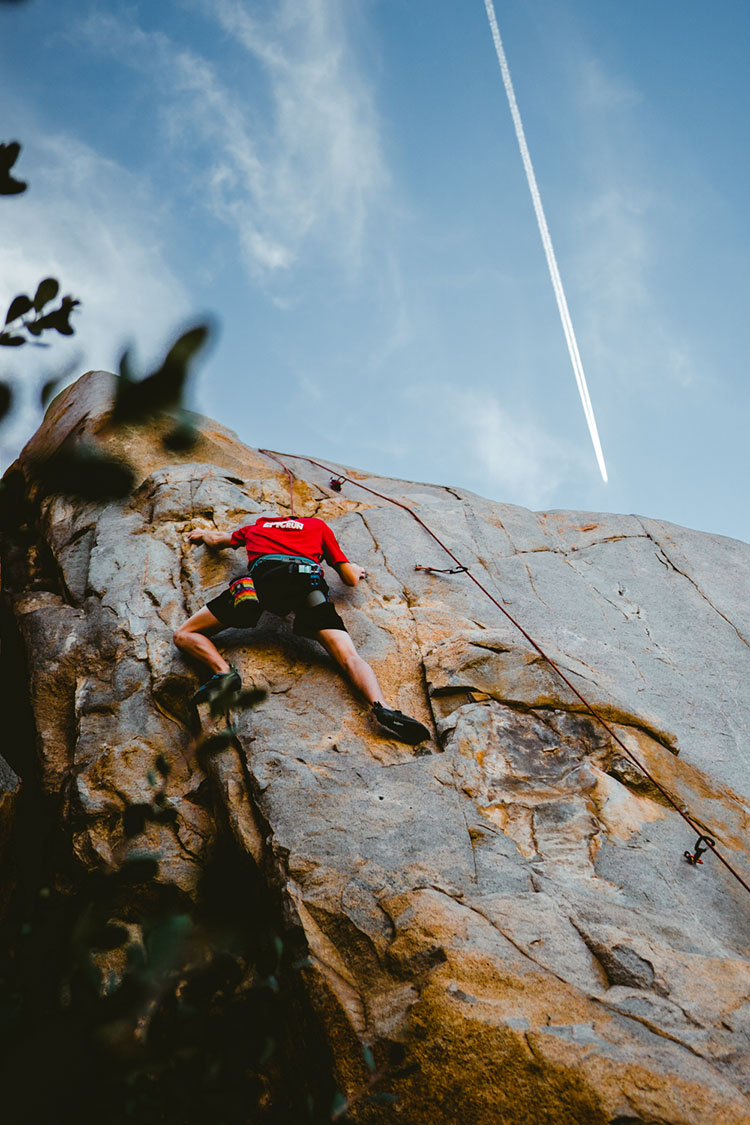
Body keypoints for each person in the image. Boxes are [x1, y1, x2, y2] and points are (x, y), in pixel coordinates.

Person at [173, 513, 430, 745]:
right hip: (308, 585)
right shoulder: (317, 527)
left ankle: (223, 671)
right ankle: (381, 706)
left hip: (264, 581)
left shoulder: (256, 528)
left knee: (185, 634)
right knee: (349, 656)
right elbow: (348, 580)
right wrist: (356, 570)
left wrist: (202, 534)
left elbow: (218, 540)